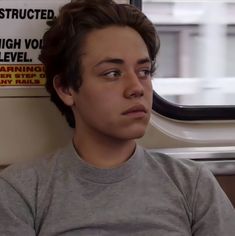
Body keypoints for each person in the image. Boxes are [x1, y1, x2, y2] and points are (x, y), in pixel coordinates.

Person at [0, 0, 234, 235]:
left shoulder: (192, 183)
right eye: (112, 73)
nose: (137, 88)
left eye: (144, 72)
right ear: (66, 88)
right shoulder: (22, 191)